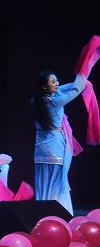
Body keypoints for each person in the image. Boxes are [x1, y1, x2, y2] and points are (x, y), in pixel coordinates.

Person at [32, 71, 86, 214]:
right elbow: (77, 89)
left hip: (40, 147)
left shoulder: (35, 101)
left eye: (57, 81)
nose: (57, 84)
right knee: (57, 183)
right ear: (44, 86)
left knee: (43, 183)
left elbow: (60, 89)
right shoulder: (56, 102)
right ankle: (57, 214)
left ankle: (42, 213)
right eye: (53, 82)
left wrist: (59, 86)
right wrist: (83, 72)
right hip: (55, 146)